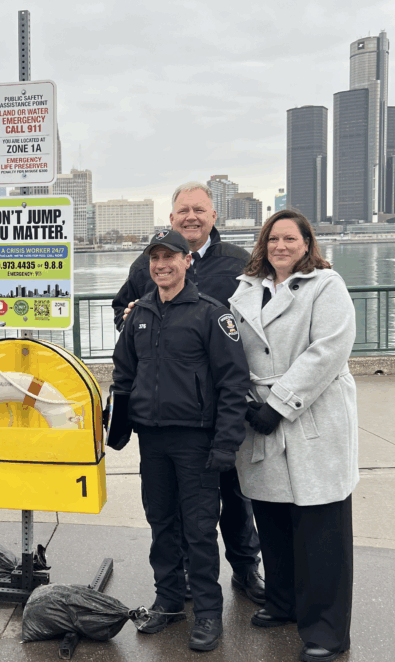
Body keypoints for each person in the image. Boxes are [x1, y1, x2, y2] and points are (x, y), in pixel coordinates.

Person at [112, 182, 264, 605]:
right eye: (183, 210)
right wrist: (128, 315)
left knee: (233, 498)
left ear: (214, 216)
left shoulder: (240, 262)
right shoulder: (148, 266)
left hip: (222, 408)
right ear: (172, 217)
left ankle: (245, 569)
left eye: (200, 209)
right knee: (170, 511)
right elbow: (121, 312)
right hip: (166, 415)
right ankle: (176, 587)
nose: (191, 216)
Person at [229, 210, 358, 662]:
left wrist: (279, 404)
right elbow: (231, 351)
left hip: (311, 416)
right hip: (257, 415)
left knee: (321, 530)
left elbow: (328, 351)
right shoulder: (245, 291)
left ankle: (326, 629)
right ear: (262, 245)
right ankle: (282, 602)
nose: (280, 246)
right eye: (272, 239)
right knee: (274, 522)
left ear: (307, 244)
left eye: (290, 238)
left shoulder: (328, 286)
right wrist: (245, 400)